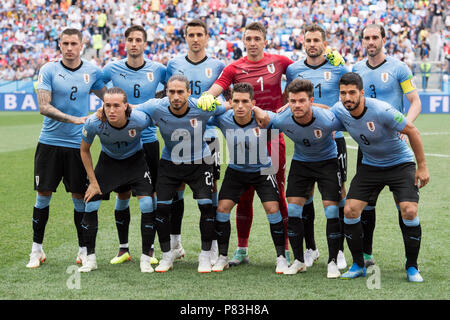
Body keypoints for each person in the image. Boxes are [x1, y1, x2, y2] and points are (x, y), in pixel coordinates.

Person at [205, 21, 293, 266]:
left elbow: (302, 82)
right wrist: (203, 101)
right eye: (248, 39)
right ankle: (242, 248)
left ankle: (284, 248)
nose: (252, 43)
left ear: (265, 40)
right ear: (243, 41)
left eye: (257, 38)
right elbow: (215, 90)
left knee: (278, 196)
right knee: (242, 197)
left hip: (272, 139)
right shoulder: (234, 67)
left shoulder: (281, 62)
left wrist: (284, 104)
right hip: (242, 133)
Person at [332, 72, 429, 282]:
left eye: (352, 92)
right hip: (371, 165)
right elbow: (323, 115)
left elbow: (412, 131)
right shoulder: (339, 109)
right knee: (350, 210)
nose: (347, 97)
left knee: (409, 211)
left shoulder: (381, 110)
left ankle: (412, 266)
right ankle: (359, 264)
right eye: (343, 93)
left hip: (400, 163)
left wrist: (422, 167)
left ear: (362, 93)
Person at [27, 28, 105, 269]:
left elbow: (109, 97)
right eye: (65, 43)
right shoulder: (49, 69)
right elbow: (43, 106)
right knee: (43, 196)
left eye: (74, 43)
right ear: (59, 45)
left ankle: (83, 250)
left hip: (76, 146)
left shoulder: (92, 71)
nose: (69, 48)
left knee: (79, 197)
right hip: (49, 142)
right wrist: (73, 119)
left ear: (82, 45)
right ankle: (36, 250)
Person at [136, 75, 228, 273]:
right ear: (166, 93)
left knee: (206, 206)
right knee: (161, 208)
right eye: (172, 92)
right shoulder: (156, 106)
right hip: (170, 162)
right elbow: (132, 109)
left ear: (189, 92)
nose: (176, 96)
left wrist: (215, 101)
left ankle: (205, 256)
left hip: (200, 161)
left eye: (180, 92)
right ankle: (167, 255)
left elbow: (227, 107)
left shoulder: (201, 106)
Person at [352, 24, 422, 267]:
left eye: (375, 37)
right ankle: (367, 256)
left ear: (384, 39)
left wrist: (406, 126)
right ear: (362, 41)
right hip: (368, 147)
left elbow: (414, 101)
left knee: (404, 206)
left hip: (395, 146)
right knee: (366, 204)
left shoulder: (398, 68)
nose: (371, 41)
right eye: (366, 38)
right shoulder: (357, 69)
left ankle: (410, 262)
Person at [265, 79, 344, 278]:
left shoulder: (327, 118)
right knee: (293, 208)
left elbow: (348, 120)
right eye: (293, 101)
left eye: (302, 101)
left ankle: (333, 261)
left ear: (310, 100)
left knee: (332, 209)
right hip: (301, 163)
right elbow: (262, 121)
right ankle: (299, 260)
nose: (297, 105)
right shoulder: (282, 119)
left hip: (327, 162)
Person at [285, 25, 349, 270]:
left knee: (338, 194)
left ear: (325, 42)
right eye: (308, 39)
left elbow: (350, 92)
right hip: (305, 141)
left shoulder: (338, 67)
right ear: (303, 41)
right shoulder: (293, 70)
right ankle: (310, 248)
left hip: (333, 140)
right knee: (305, 196)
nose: (312, 44)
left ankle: (339, 250)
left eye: (316, 40)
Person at [208, 82, 289, 274]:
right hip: (236, 171)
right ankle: (222, 257)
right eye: (236, 101)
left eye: (245, 101)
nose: (240, 106)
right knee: (222, 208)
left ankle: (281, 258)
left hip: (263, 170)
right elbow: (200, 116)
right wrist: (221, 107)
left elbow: (289, 119)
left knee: (273, 209)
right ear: (231, 102)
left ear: (253, 102)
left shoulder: (264, 118)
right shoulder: (224, 118)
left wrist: (264, 113)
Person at [103, 25, 166, 265]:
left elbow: (173, 90)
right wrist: (110, 106)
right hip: (122, 142)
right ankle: (123, 248)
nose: (134, 44)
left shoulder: (157, 69)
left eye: (138, 40)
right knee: (122, 193)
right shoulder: (112, 68)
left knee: (150, 195)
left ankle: (149, 250)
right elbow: (98, 84)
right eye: (130, 39)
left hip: (148, 141)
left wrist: (156, 107)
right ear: (125, 42)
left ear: (145, 43)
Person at [165, 19, 226, 264]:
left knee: (210, 190)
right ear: (185, 37)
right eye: (191, 34)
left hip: (209, 136)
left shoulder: (218, 65)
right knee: (176, 189)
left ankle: (210, 246)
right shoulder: (174, 64)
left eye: (200, 34)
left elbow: (226, 101)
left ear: (207, 37)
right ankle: (175, 242)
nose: (195, 39)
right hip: (179, 137)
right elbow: (168, 96)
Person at [78, 87, 156, 273]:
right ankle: (90, 259)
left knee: (147, 204)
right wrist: (94, 182)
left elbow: (163, 120)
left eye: (116, 106)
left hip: (136, 162)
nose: (111, 110)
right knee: (90, 204)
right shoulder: (93, 122)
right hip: (108, 163)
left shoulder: (139, 119)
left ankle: (146, 258)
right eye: (107, 106)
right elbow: (84, 150)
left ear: (126, 106)